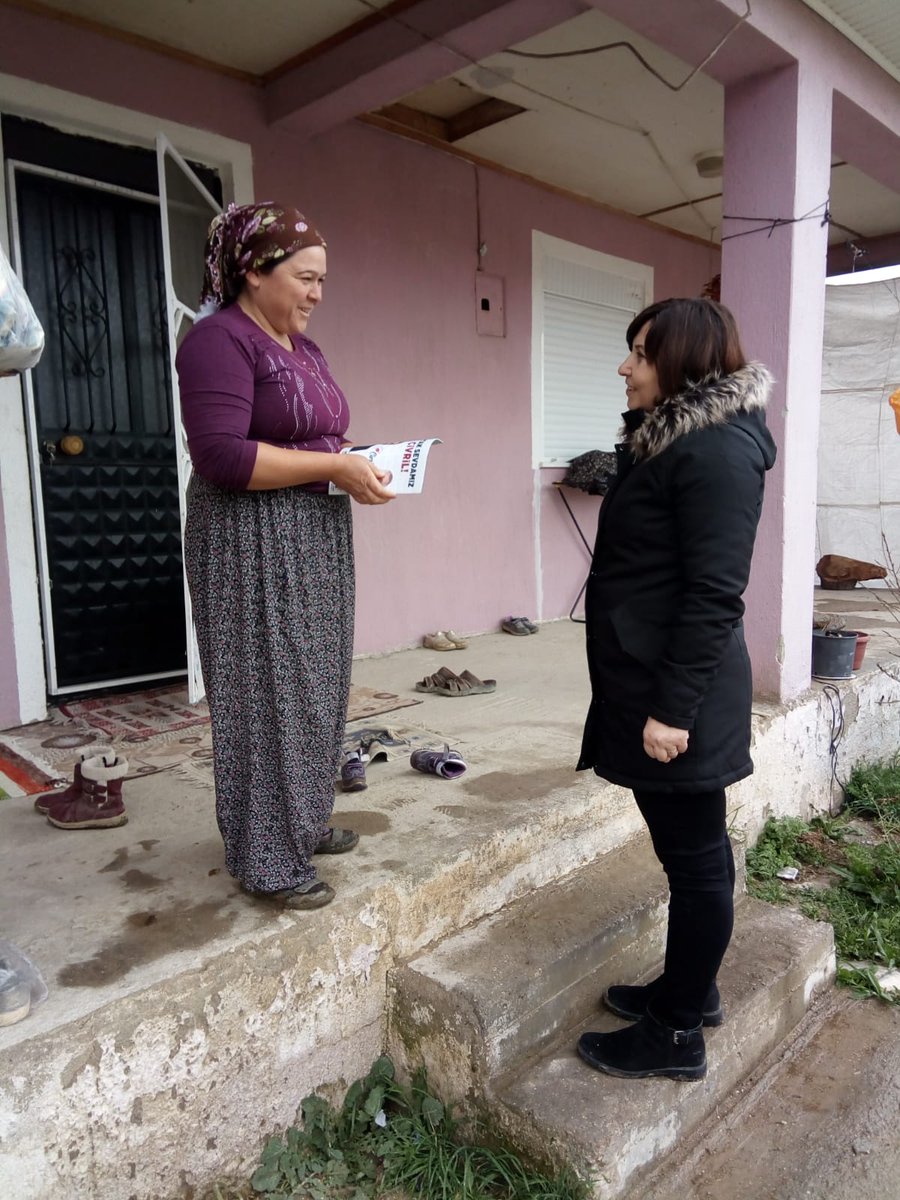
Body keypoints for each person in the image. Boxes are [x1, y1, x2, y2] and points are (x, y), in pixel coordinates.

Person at [575, 297, 776, 1081]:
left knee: (694, 862)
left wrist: (670, 711)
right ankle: (692, 987)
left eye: (641, 354)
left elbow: (714, 595)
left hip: (678, 696)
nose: (625, 367)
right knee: (691, 854)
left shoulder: (717, 454)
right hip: (652, 679)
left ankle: (677, 1030)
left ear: (684, 363)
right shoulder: (669, 441)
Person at [175, 202, 395, 911]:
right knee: (265, 691)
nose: (316, 294)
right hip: (249, 540)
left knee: (315, 681)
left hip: (313, 537)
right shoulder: (219, 340)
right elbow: (220, 454)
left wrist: (358, 463)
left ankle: (299, 821)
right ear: (253, 270)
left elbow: (321, 435)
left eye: (322, 280)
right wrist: (332, 470)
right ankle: (265, 858)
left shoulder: (303, 348)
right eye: (305, 277)